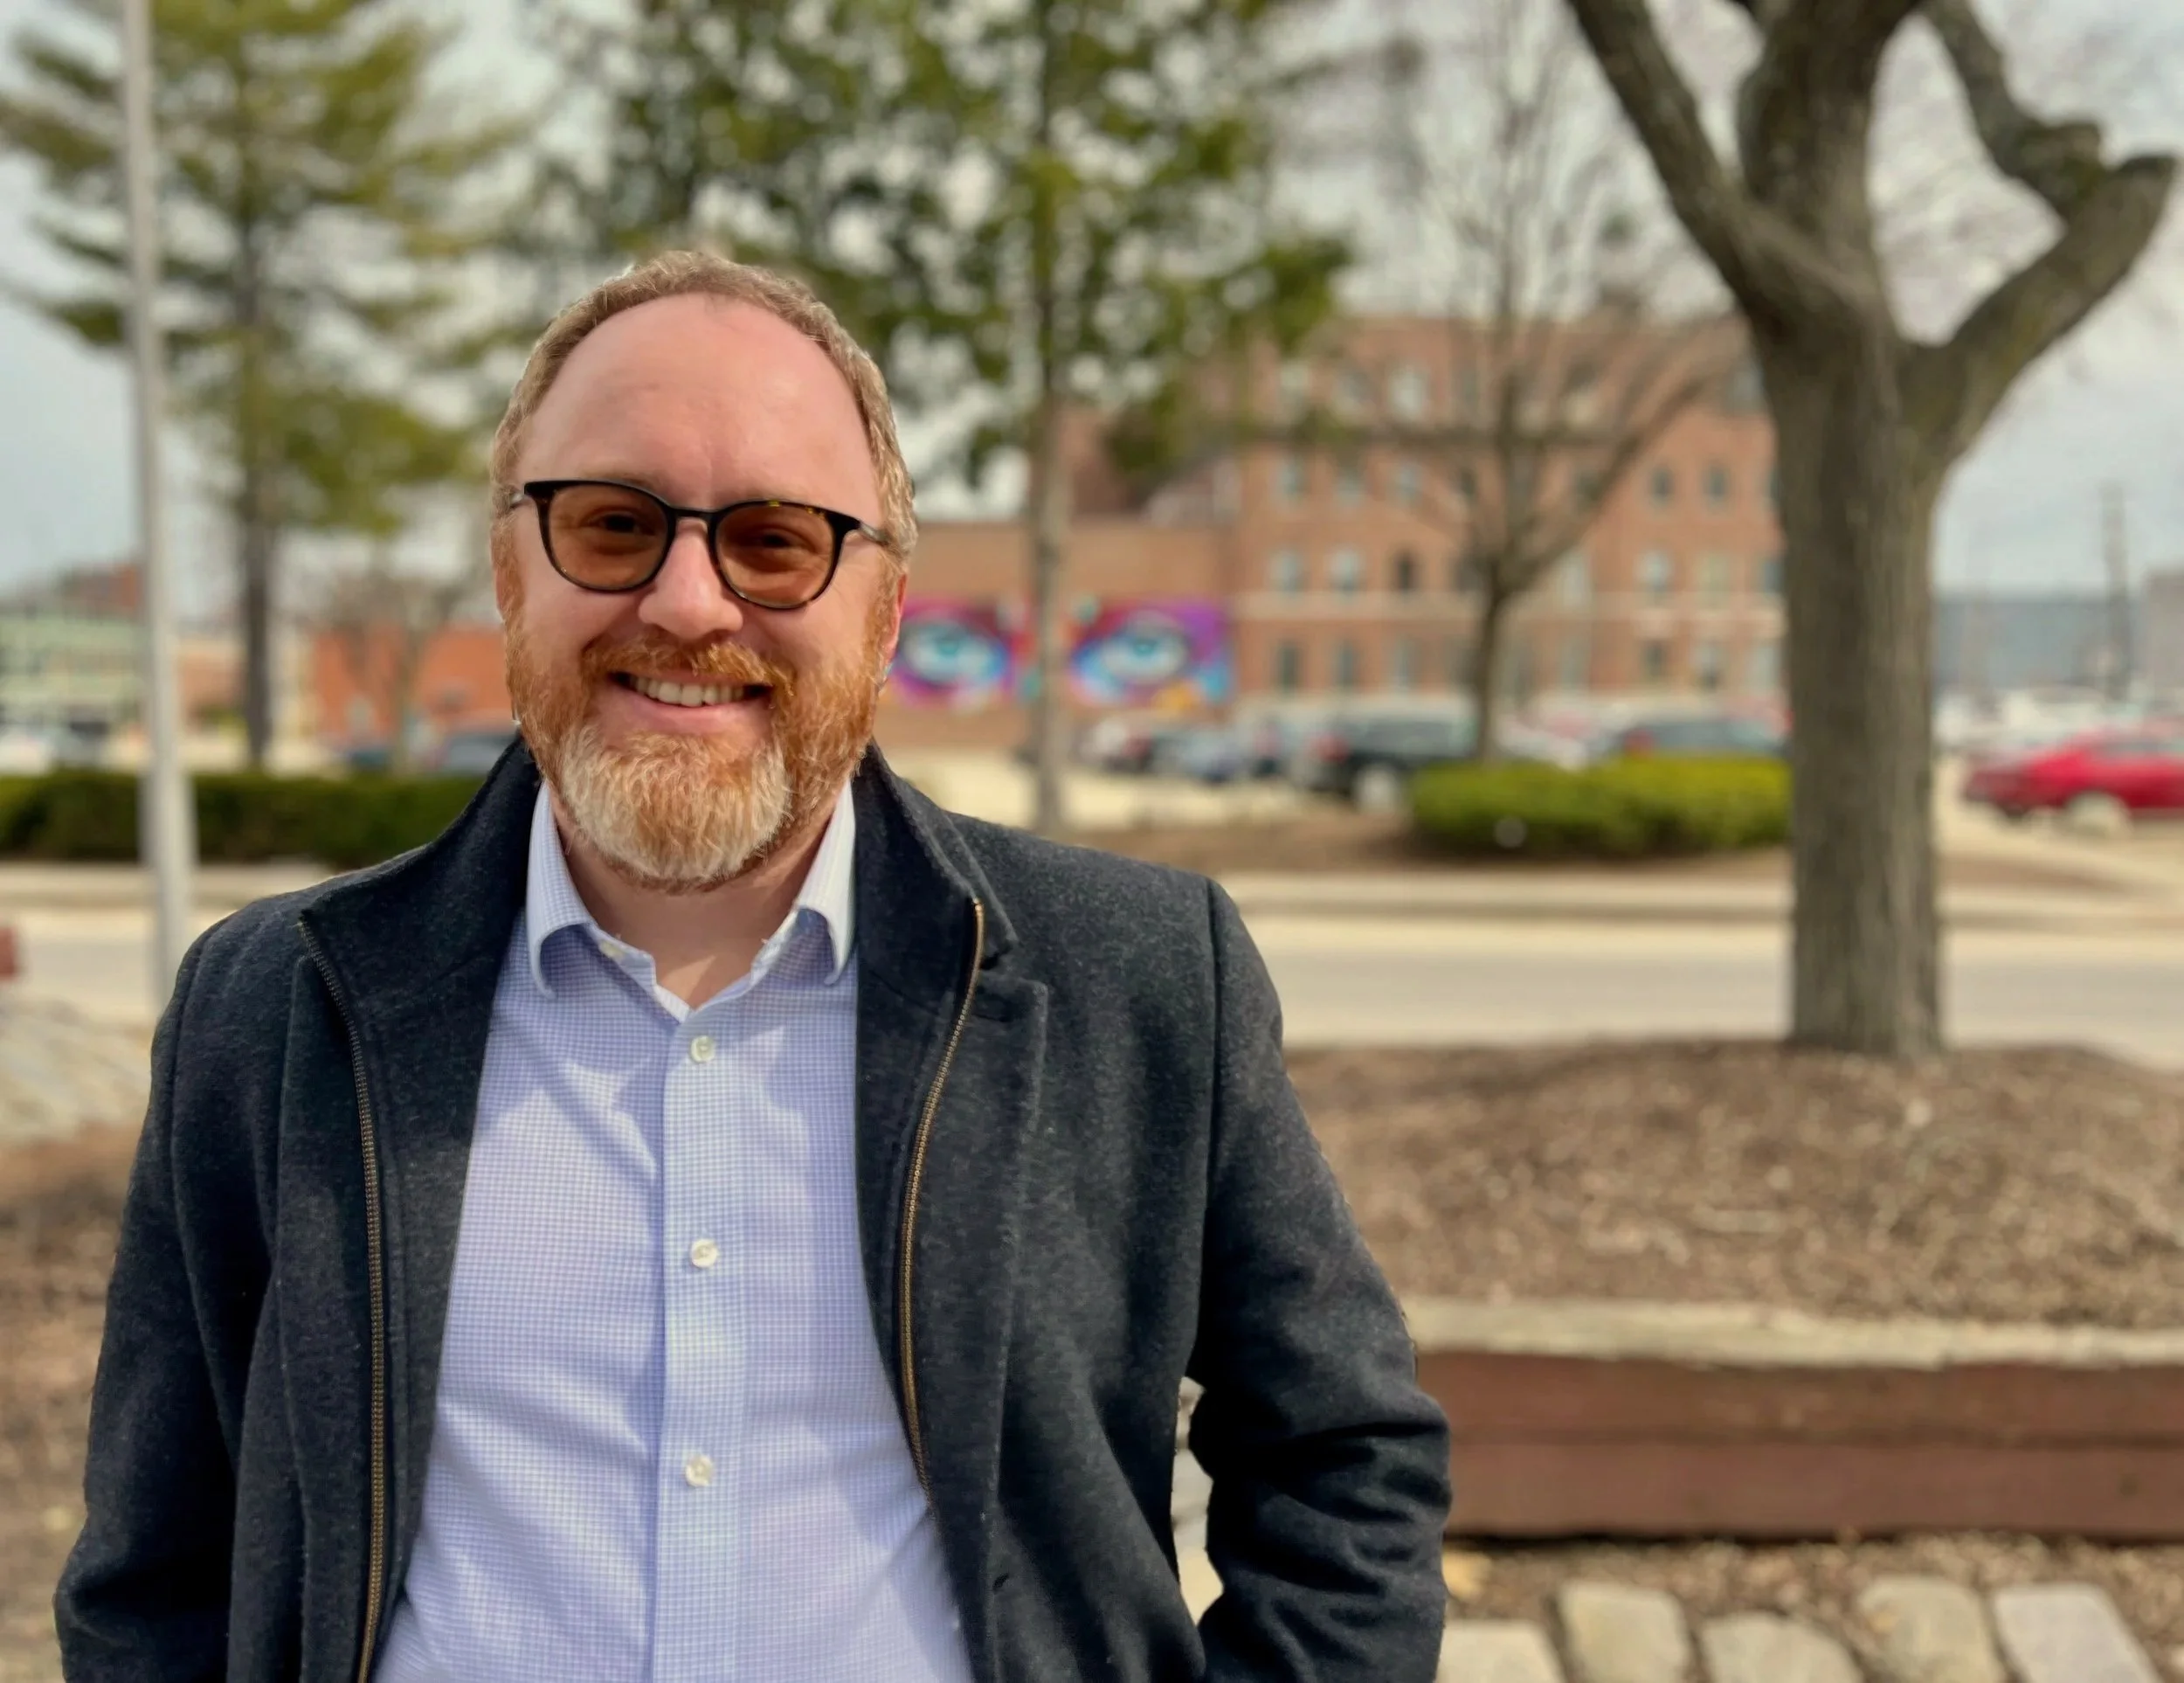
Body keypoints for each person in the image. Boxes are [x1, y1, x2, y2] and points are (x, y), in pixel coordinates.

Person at [57, 250, 1450, 1683]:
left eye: (774, 541)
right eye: (612, 524)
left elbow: (1346, 1460)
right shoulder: (271, 1009)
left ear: (886, 612)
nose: (686, 602)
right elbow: (155, 1579)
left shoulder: (1140, 982)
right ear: (509, 572)